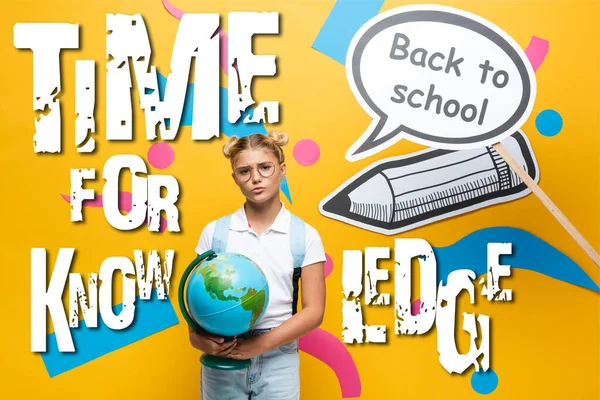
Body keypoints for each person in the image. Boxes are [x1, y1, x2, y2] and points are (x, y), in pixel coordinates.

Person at [190, 131, 327, 399]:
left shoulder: (304, 235)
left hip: (279, 356)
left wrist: (259, 345)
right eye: (244, 171)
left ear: (282, 170)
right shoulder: (216, 233)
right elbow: (197, 298)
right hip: (224, 352)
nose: (255, 178)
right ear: (235, 178)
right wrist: (197, 338)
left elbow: (314, 311)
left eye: (265, 167)